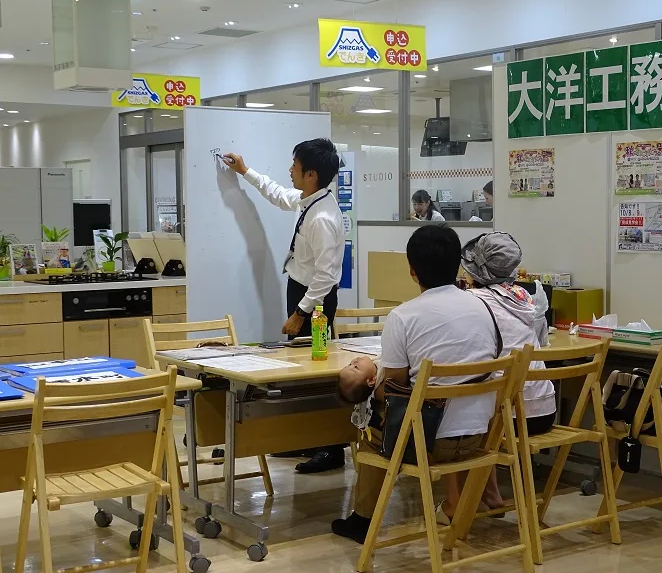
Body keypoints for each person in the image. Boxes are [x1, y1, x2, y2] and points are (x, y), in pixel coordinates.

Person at [332, 224, 501, 544]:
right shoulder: (485, 307)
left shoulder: (403, 317)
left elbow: (393, 388)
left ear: (412, 271)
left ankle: (362, 520)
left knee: (369, 430)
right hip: (479, 436)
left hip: (429, 445)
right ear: (458, 265)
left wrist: (371, 387)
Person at [224, 138, 347, 474]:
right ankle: (306, 439)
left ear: (310, 174)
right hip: (303, 293)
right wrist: (245, 171)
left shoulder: (323, 217)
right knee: (302, 370)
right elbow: (278, 194)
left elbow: (327, 276)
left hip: (317, 305)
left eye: (294, 166)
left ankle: (331, 448)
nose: (289, 170)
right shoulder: (309, 201)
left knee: (319, 370)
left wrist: (300, 313)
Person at [453, 232, 556, 521]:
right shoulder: (525, 297)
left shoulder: (472, 300)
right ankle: (490, 493)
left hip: (507, 419)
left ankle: (458, 503)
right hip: (543, 411)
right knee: (490, 398)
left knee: (460, 406)